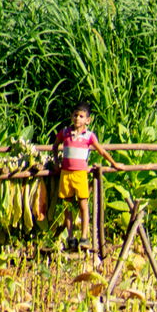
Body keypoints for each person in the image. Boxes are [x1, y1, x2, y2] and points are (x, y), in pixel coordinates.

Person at [51, 103, 119, 254]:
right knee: (67, 206)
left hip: (81, 173)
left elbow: (101, 151)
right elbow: (55, 146)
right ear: (71, 116)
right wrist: (56, 162)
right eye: (75, 115)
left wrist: (114, 164)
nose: (77, 118)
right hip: (66, 174)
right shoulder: (65, 132)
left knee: (83, 204)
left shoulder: (89, 136)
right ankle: (70, 237)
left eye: (81, 116)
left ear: (87, 120)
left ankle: (84, 236)